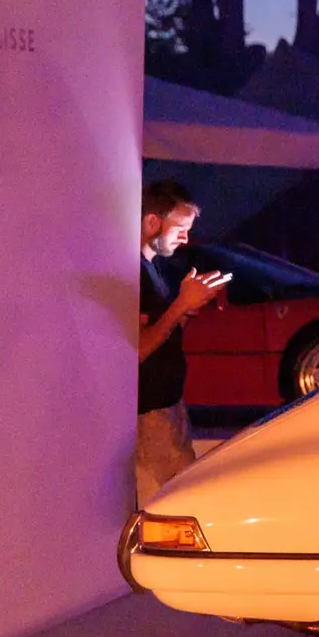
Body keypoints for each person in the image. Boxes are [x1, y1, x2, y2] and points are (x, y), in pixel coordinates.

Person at [137, 181, 229, 506]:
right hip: (151, 413)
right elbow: (138, 350)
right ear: (152, 222)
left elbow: (162, 333)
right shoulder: (134, 272)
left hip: (168, 406)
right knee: (174, 503)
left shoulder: (152, 268)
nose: (186, 238)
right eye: (180, 229)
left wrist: (187, 308)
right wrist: (180, 304)